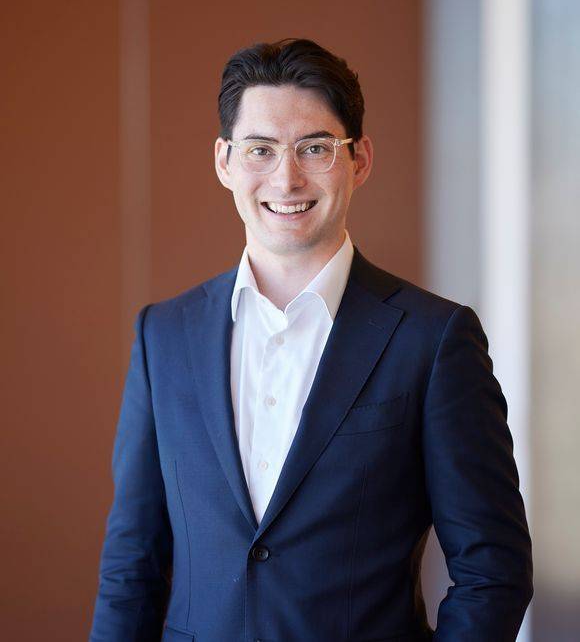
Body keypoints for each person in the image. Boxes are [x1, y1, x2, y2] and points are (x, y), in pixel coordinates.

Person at [90, 38, 533, 642]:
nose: (286, 177)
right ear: (224, 161)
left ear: (360, 159)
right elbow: (131, 567)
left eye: (315, 148)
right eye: (260, 149)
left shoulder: (433, 341)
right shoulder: (163, 336)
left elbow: (493, 570)